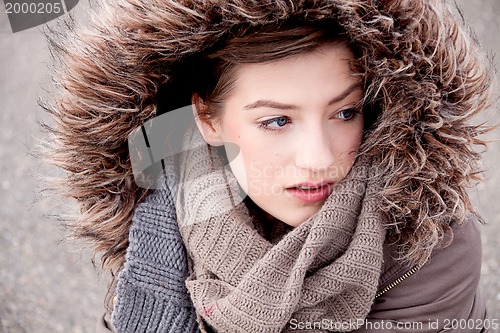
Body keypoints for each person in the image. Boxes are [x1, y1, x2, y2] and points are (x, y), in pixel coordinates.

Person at [43, 0, 497, 332]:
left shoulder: (429, 242)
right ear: (207, 120)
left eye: (345, 113)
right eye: (277, 120)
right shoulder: (158, 190)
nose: (319, 159)